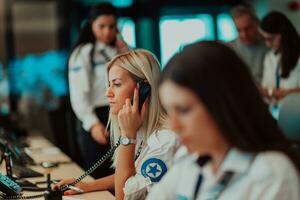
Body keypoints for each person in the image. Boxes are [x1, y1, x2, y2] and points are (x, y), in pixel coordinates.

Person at [147, 41, 300, 200]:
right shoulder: (189, 160)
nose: (173, 126)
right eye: (169, 112)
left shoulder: (272, 174)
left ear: (223, 103)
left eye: (184, 110)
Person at [56, 49, 179, 200]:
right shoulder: (142, 129)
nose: (108, 92)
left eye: (117, 84)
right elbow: (134, 175)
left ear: (143, 89)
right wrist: (87, 186)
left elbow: (123, 196)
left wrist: (128, 137)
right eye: (109, 84)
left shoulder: (164, 141)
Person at [68, 2, 128, 178]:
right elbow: (79, 94)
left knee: (122, 171)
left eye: (112, 26)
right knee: (99, 174)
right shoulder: (84, 53)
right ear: (91, 24)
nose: (107, 32)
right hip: (97, 116)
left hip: (121, 114)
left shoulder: (122, 50)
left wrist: (126, 53)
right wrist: (92, 123)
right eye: (101, 26)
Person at [259, 11, 300, 102]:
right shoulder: (269, 57)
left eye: (270, 39)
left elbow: (267, 91)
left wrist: (273, 93)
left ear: (283, 34)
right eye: (265, 39)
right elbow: (265, 90)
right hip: (277, 111)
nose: (268, 44)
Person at [229, 3, 268, 84]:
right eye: (239, 30)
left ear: (257, 23)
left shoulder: (270, 45)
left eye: (248, 28)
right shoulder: (230, 50)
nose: (244, 35)